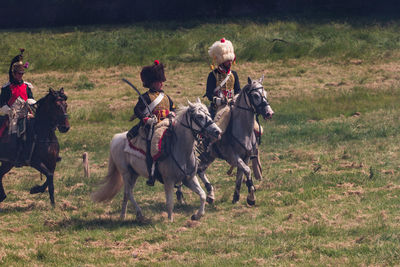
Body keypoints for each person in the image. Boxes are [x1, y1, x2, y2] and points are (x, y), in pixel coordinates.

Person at [203, 38, 263, 179]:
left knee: (255, 128)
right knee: (218, 128)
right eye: (227, 60)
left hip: (233, 104)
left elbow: (237, 91)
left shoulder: (233, 75)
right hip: (220, 107)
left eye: (231, 60)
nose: (230, 62)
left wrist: (235, 99)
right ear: (221, 60)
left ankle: (253, 154)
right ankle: (213, 146)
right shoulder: (212, 75)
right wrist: (219, 100)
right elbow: (209, 94)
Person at [127, 60, 175, 186]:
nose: (162, 84)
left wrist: (172, 113)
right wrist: (146, 119)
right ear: (153, 83)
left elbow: (173, 107)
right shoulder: (146, 97)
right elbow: (137, 110)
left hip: (167, 124)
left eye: (162, 81)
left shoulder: (165, 97)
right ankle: (152, 173)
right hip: (152, 127)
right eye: (160, 81)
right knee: (150, 148)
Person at [0, 48, 36, 166]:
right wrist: (10, 111)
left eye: (22, 74)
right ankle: (17, 155)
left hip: (26, 114)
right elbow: (2, 104)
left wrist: (32, 109)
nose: (20, 76)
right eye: (18, 74)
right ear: (13, 74)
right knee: (17, 132)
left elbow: (30, 99)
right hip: (12, 116)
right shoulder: (6, 88)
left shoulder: (27, 86)